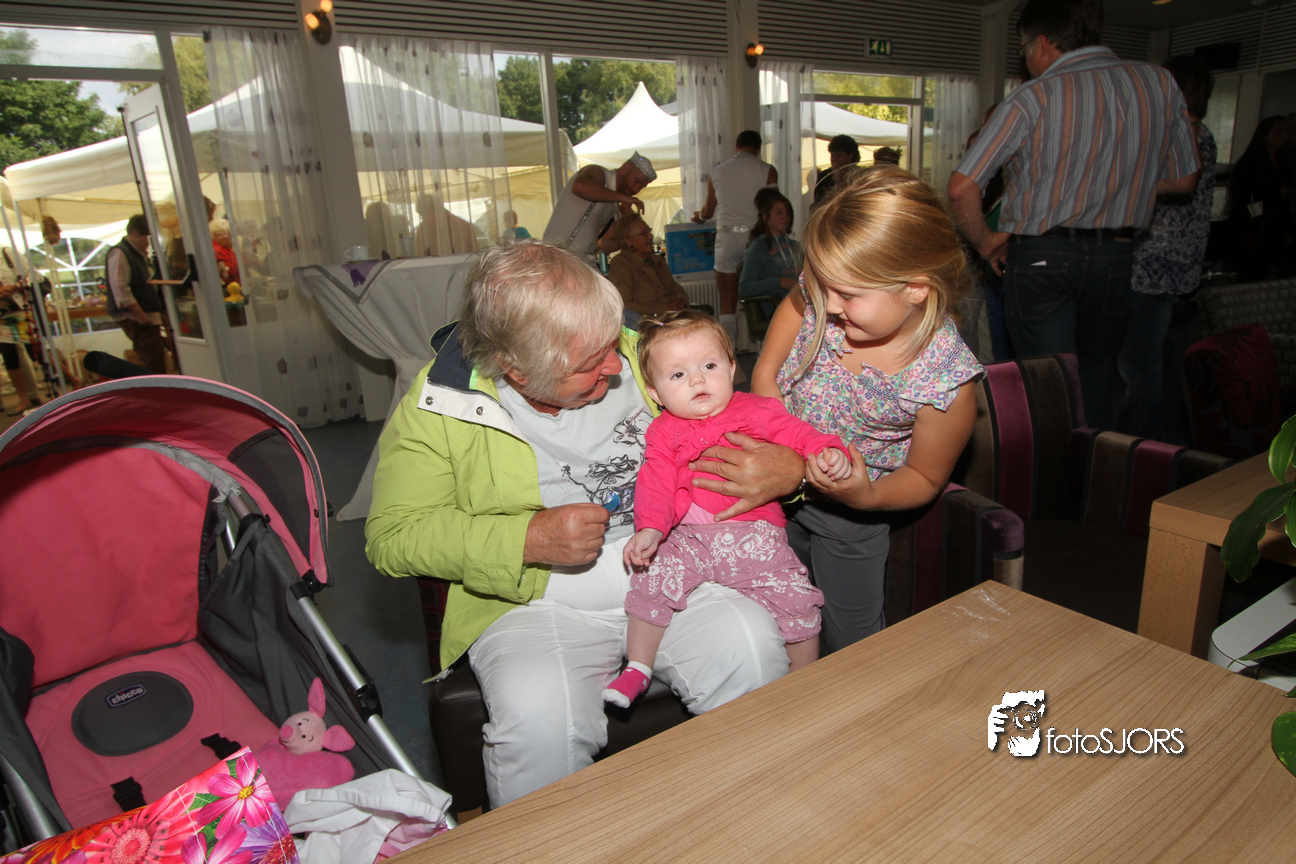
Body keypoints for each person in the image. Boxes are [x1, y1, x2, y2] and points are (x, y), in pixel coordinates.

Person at [364, 240, 800, 809]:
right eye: (590, 363)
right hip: (533, 601)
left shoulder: (643, 349)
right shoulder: (441, 402)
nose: (617, 365)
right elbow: (393, 536)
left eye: (611, 343)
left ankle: (757, 814)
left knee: (751, 647)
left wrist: (790, 469)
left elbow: (742, 418)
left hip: (682, 564)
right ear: (516, 369)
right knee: (540, 719)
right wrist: (528, 539)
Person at [752, 166, 983, 652]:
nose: (828, 305)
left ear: (915, 287)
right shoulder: (823, 294)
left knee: (852, 640)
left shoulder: (944, 381)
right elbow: (772, 360)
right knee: (770, 614)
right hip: (771, 486)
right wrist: (767, 395)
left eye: (847, 295)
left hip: (848, 518)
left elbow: (924, 477)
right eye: (821, 286)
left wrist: (866, 497)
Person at [947, 0, 1199, 429]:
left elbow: (961, 187)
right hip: (1116, 255)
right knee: (1096, 376)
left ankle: (1046, 468)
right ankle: (1091, 465)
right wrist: (1120, 182)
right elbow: (1184, 180)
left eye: (1024, 48)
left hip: (1042, 257)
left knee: (1045, 380)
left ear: (1042, 43)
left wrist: (987, 244)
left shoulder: (1033, 96)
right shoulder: (1158, 83)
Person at [604, 311, 848, 708]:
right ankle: (637, 667)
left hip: (756, 538)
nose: (697, 380)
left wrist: (827, 451)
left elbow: (800, 434)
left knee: (796, 598)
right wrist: (650, 528)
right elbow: (655, 481)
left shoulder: (757, 410)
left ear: (732, 368)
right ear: (655, 393)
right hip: (687, 538)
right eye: (678, 375)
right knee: (652, 580)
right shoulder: (662, 430)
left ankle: (805, 682)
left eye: (709, 366)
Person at [1117, 55, 1216, 442]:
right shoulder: (1202, 133)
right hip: (1182, 266)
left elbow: (1174, 184)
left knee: (1140, 367)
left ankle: (1136, 449)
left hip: (1151, 267)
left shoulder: (1178, 135)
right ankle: (1175, 444)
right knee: (1164, 361)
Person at [691, 131, 778, 341]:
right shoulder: (768, 171)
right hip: (756, 239)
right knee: (766, 294)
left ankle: (728, 351)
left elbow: (708, 211)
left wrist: (699, 217)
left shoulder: (717, 172)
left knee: (728, 300)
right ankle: (768, 346)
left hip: (727, 238)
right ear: (758, 149)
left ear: (737, 147)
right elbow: (775, 206)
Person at [543, 152, 655, 260]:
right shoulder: (599, 173)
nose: (636, 189)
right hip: (558, 255)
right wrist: (622, 197)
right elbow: (579, 187)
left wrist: (629, 236)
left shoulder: (614, 204)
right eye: (636, 181)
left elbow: (606, 246)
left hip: (581, 259)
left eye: (641, 187)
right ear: (626, 168)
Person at [1228, 116, 1294, 281]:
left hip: (1275, 226)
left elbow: (1286, 199)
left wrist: (1287, 228)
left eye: (1286, 131)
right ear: (1264, 135)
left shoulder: (1283, 160)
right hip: (1253, 226)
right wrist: (1275, 194)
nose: (1283, 135)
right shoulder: (1250, 162)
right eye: (1278, 132)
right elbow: (1242, 195)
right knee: (1251, 272)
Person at [106, 214, 168, 374]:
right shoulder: (120, 253)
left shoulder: (137, 254)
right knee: (151, 359)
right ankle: (153, 388)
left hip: (147, 314)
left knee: (155, 356)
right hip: (136, 317)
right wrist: (140, 314)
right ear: (134, 233)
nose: (149, 242)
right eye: (147, 237)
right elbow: (119, 287)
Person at [605, 212, 689, 315]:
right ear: (628, 241)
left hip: (674, 317)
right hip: (648, 321)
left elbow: (676, 289)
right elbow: (625, 305)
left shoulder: (658, 260)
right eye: (643, 234)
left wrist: (680, 301)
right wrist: (664, 308)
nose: (650, 236)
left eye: (649, 231)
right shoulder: (621, 264)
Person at [739, 189, 803, 310]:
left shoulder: (796, 246)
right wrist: (779, 282)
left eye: (788, 213)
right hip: (780, 306)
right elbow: (744, 288)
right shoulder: (759, 247)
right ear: (766, 216)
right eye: (779, 213)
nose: (785, 217)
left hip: (803, 299)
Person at [413, 193, 480, 258]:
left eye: (422, 215)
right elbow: (475, 250)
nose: (423, 218)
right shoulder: (462, 223)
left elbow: (420, 253)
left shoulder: (425, 227)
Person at [812, 134, 861, 209]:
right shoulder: (824, 176)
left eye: (838, 155)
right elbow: (818, 202)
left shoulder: (860, 176)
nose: (834, 159)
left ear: (850, 156)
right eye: (832, 155)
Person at [210, 218, 240, 287]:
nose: (230, 238)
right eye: (229, 234)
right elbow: (228, 272)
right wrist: (243, 261)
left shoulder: (225, 248)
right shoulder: (216, 250)